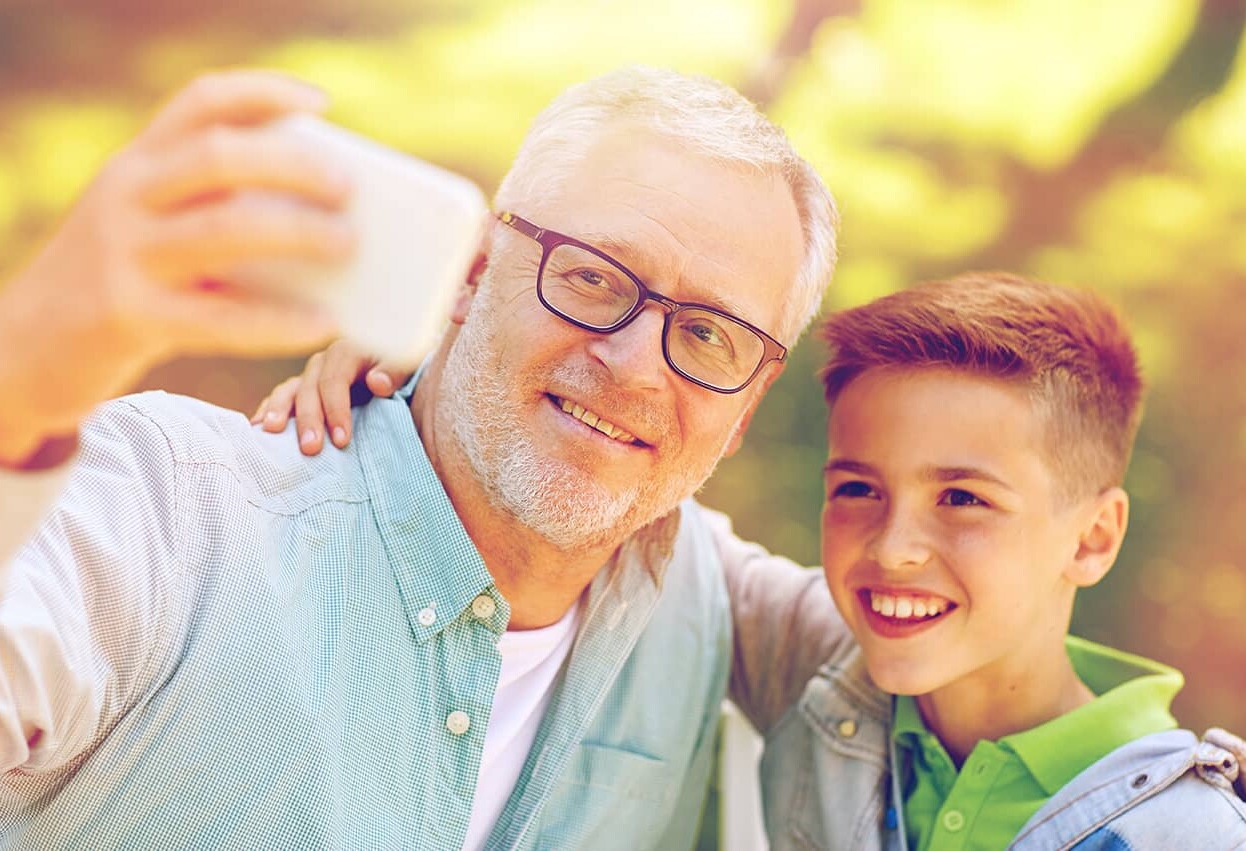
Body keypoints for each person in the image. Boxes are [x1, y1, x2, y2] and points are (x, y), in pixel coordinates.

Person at [0, 66, 840, 847]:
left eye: (709, 334)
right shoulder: (171, 513)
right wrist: (29, 358)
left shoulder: (704, 596)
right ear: (474, 271)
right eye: (592, 276)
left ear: (747, 406)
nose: (638, 366)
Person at [269, 272, 1246, 849]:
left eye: (963, 499)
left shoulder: (1191, 831)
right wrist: (459, 382)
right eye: (856, 487)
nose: (893, 547)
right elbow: (631, 507)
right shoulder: (832, 667)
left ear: (1093, 536)